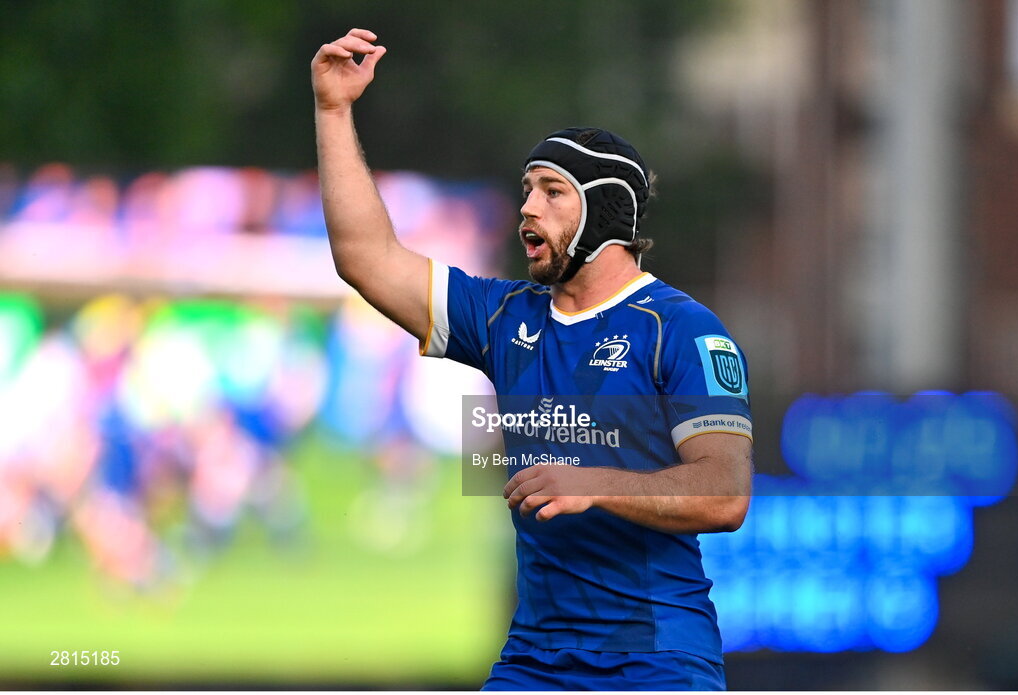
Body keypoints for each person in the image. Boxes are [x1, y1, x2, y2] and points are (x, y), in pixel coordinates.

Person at [311, 29, 753, 691]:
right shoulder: (505, 317)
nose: (526, 207)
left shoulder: (680, 330)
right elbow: (366, 260)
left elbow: (724, 493)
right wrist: (333, 111)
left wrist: (592, 481)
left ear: (604, 213)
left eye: (551, 191)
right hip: (535, 660)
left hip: (657, 659)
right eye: (525, 189)